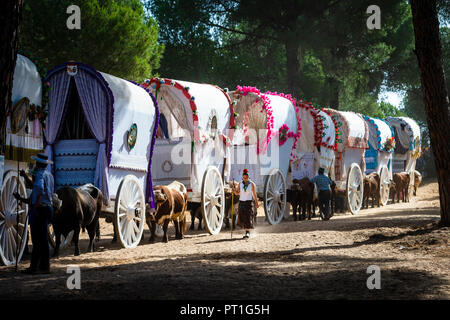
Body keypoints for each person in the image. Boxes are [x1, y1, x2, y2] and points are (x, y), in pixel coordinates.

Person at [14, 153, 54, 274]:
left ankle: (35, 267)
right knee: (42, 239)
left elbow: (39, 189)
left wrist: (35, 204)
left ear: (38, 164)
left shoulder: (40, 174)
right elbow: (36, 187)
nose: (35, 165)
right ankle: (43, 266)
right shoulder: (49, 175)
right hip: (48, 208)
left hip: (40, 209)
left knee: (37, 240)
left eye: (36, 163)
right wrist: (26, 177)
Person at [233, 168, 258, 239]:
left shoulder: (252, 184)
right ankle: (246, 231)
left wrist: (256, 202)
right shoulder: (240, 184)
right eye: (244, 178)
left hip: (248, 203)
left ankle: (247, 232)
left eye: (246, 178)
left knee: (248, 217)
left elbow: (254, 194)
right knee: (242, 217)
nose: (245, 179)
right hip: (241, 202)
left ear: (248, 177)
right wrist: (234, 191)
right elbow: (238, 192)